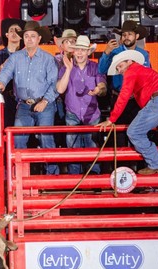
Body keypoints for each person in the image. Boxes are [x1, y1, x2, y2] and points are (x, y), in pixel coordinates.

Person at [97, 50, 158, 199]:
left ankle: (155, 163)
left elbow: (124, 94)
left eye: (120, 66)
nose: (119, 70)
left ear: (129, 61)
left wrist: (112, 119)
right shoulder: (146, 72)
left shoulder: (132, 71)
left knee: (134, 132)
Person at [0, 21, 59, 175]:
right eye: (27, 36)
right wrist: (0, 84)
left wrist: (45, 101)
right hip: (23, 105)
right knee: (18, 141)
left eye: (33, 36)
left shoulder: (48, 59)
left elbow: (55, 84)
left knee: (46, 140)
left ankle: (52, 178)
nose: (29, 39)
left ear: (38, 39)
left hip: (45, 104)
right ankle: (20, 178)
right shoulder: (15, 58)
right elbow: (5, 74)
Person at [56, 35, 106, 175]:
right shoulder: (66, 68)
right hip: (72, 113)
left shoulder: (96, 67)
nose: (79, 53)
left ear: (88, 52)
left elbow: (103, 86)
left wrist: (98, 89)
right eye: (77, 49)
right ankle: (75, 179)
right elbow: (60, 89)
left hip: (92, 114)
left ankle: (94, 180)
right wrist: (67, 69)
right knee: (73, 150)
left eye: (82, 50)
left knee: (92, 148)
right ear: (73, 51)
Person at [98, 20, 151, 150]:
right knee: (119, 137)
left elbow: (147, 76)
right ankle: (121, 167)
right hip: (118, 97)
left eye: (130, 34)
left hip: (136, 100)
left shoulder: (144, 54)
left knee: (138, 134)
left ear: (136, 36)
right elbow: (101, 70)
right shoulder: (115, 52)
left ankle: (137, 167)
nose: (126, 37)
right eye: (124, 34)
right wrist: (106, 53)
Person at [0, 18, 25, 127]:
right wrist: (2, 67)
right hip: (4, 98)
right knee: (6, 127)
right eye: (11, 30)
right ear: (7, 35)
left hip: (23, 97)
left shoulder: (26, 54)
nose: (14, 33)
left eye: (17, 30)